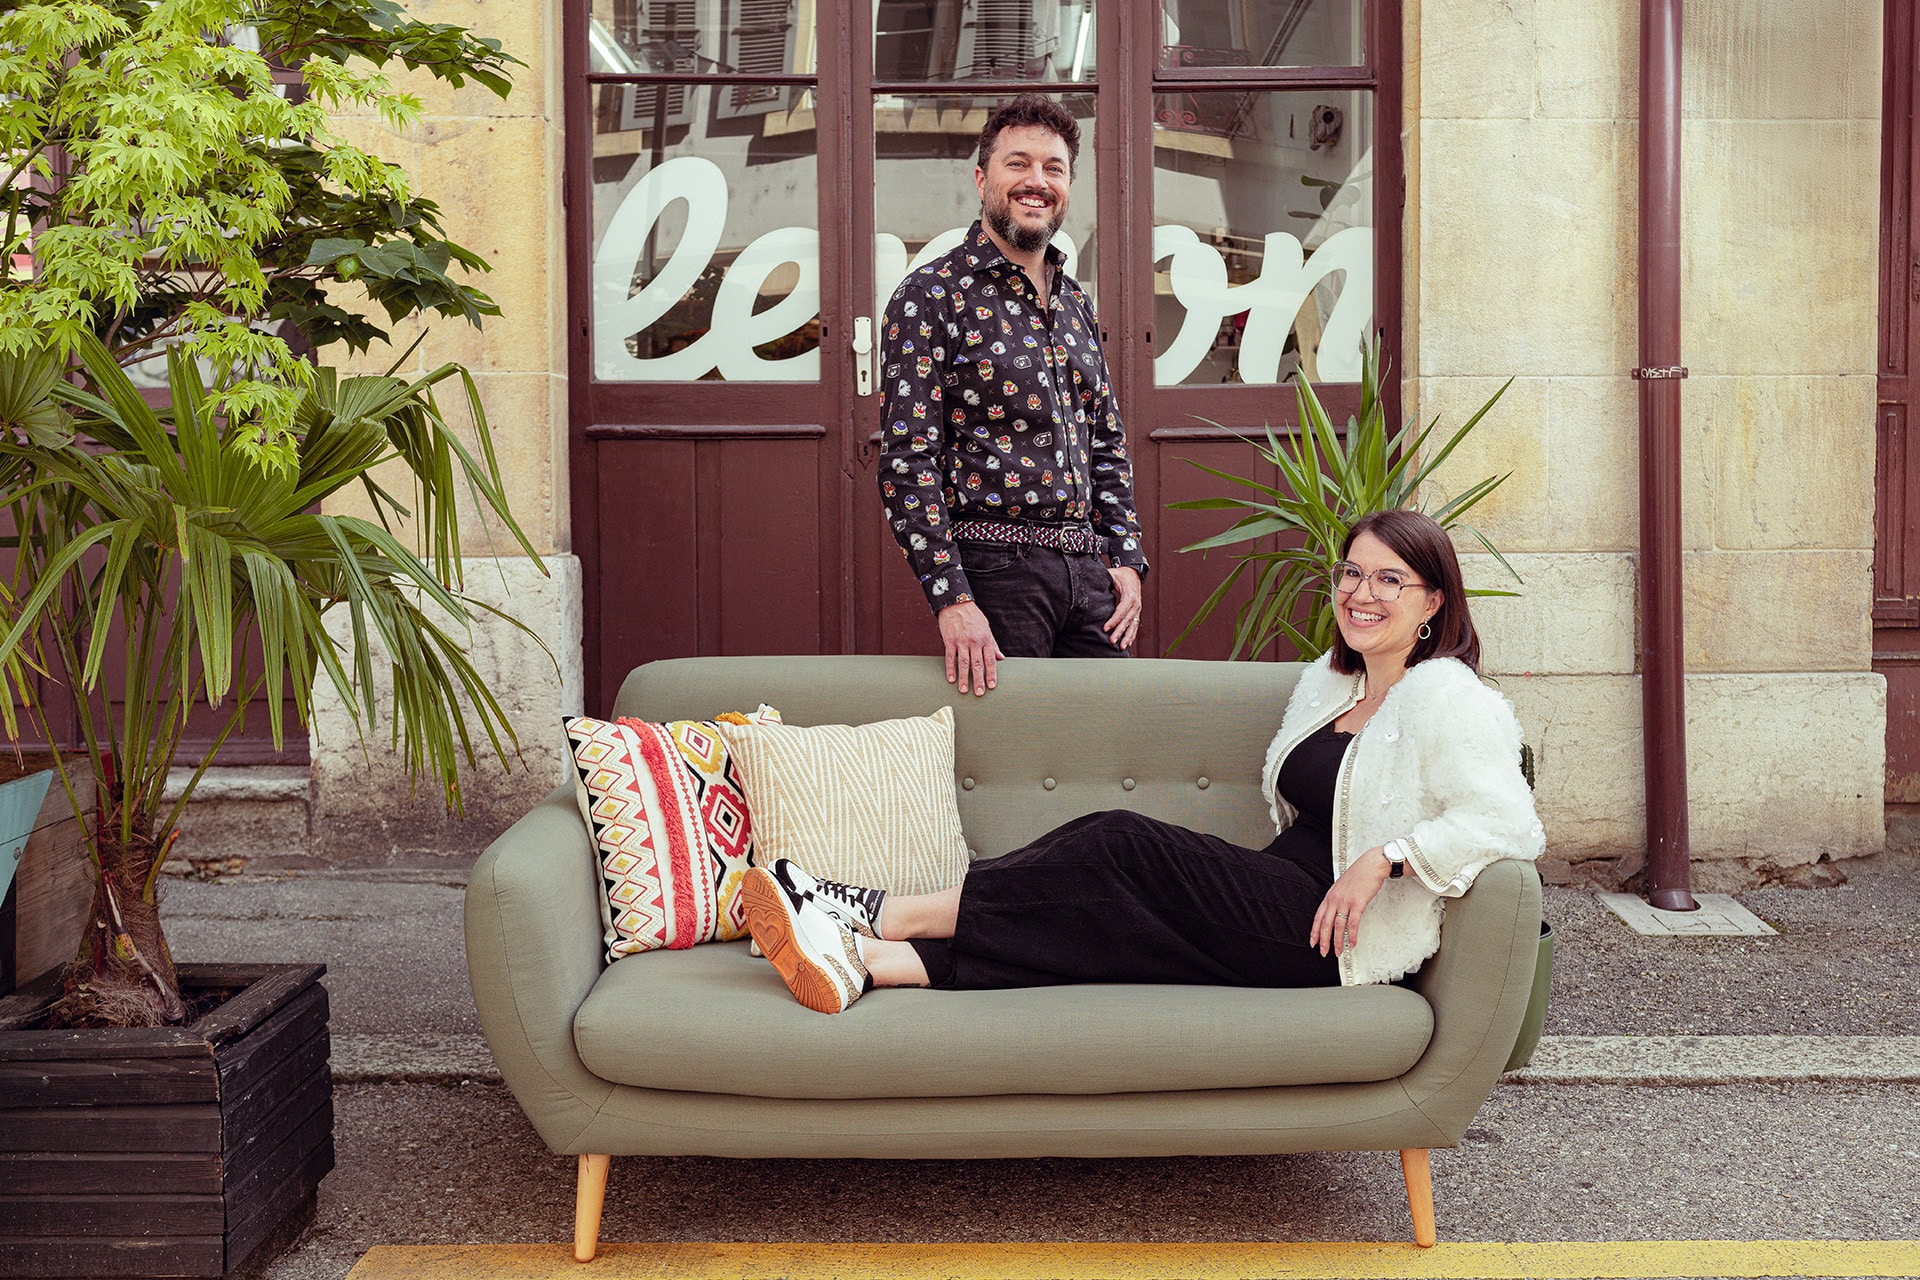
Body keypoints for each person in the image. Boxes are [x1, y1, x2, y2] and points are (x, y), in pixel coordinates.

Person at [739, 509, 1546, 1014]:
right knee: (1100, 908)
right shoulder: (1332, 686)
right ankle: (873, 963)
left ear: (1433, 601)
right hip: (1281, 892)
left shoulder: (1450, 697)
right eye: (1352, 573)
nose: (1362, 594)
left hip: (1333, 936)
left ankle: (871, 909)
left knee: (1117, 842)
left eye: (1390, 580)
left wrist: (1384, 858)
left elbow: (1508, 822)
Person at [876, 93, 1147, 696]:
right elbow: (907, 460)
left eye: (1054, 168)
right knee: (1015, 745)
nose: (1037, 182)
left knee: (1109, 735)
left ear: (1068, 186)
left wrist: (1126, 558)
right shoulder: (931, 295)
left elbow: (1105, 438)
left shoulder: (1075, 301)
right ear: (982, 179)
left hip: (1090, 572)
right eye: (1017, 163)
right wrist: (952, 598)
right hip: (996, 572)